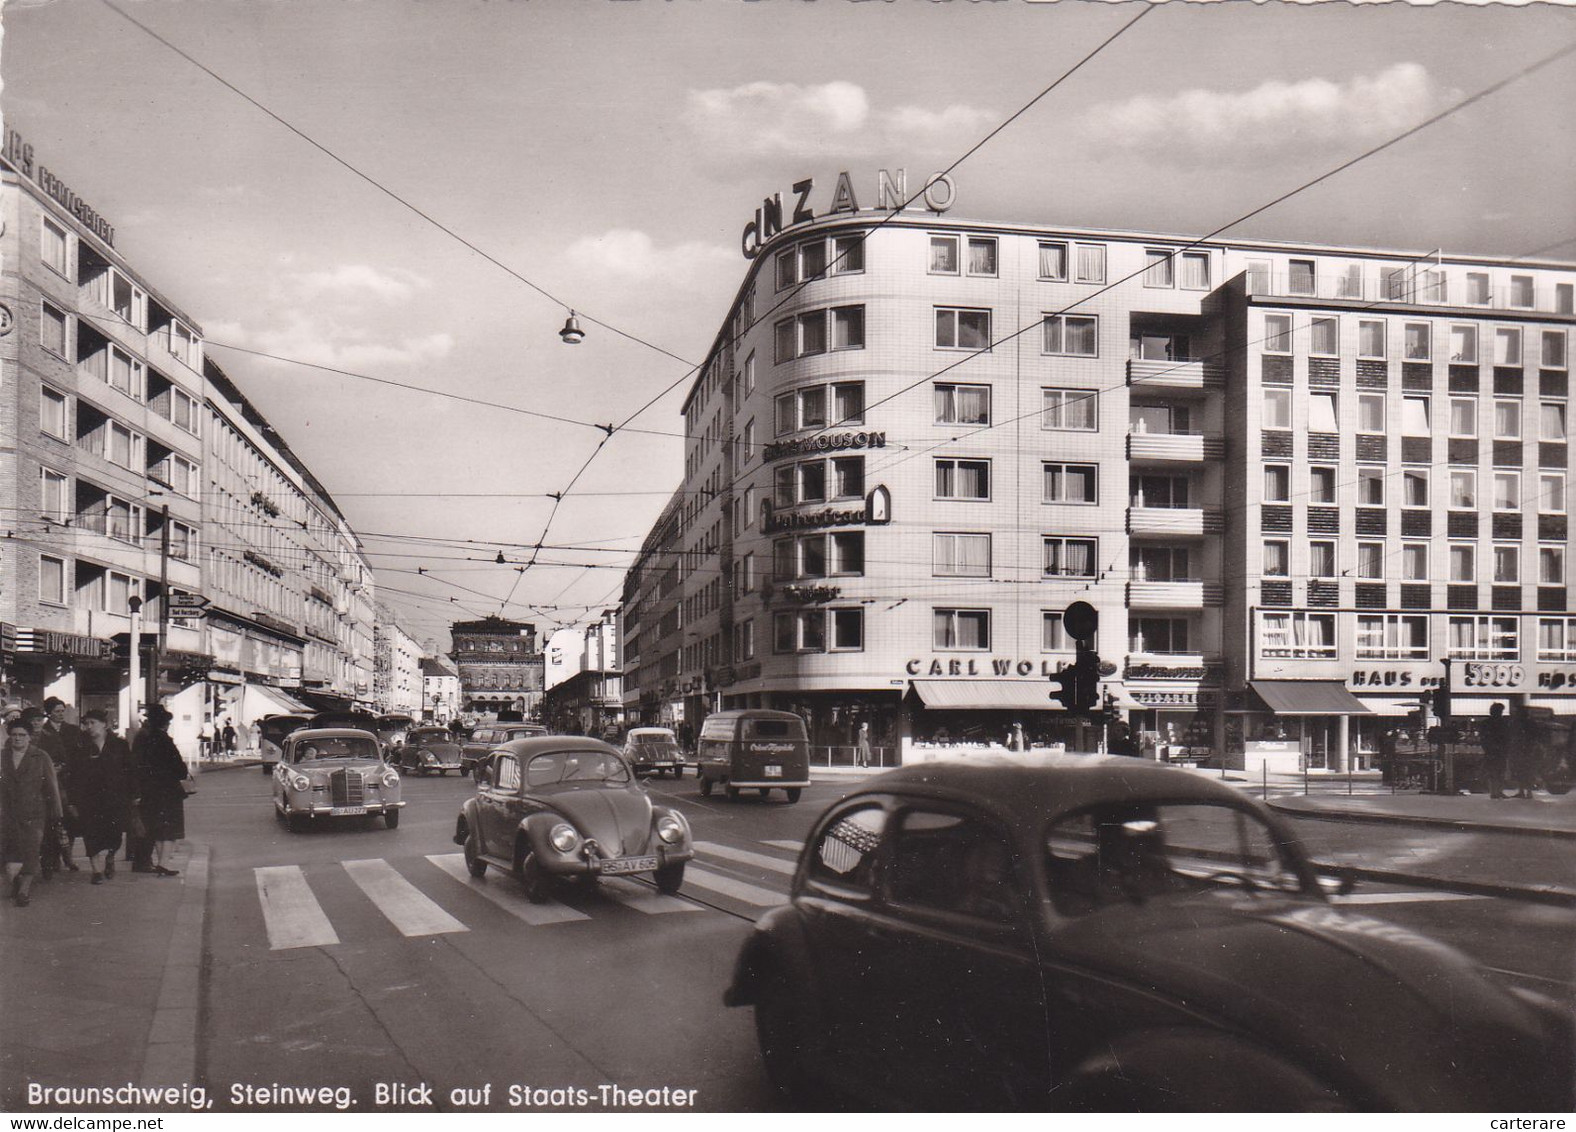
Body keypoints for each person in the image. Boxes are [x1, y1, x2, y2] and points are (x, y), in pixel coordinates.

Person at [65, 710, 135, 885]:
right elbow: (73, 776)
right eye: (86, 723)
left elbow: (130, 771)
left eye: (92, 723)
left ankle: (110, 856)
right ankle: (96, 871)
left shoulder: (120, 745)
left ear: (104, 724)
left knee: (115, 835)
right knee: (91, 834)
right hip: (89, 800)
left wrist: (135, 794)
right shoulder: (81, 746)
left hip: (115, 798)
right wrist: (72, 801)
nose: (89, 727)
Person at [1, 716, 63, 907]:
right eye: (14, 735)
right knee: (8, 851)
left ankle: (24, 891)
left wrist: (57, 813)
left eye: (22, 735)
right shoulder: (2, 756)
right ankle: (16, 881)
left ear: (30, 737)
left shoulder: (41, 756)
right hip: (7, 813)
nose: (17, 738)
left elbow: (52, 787)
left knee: (30, 851)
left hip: (33, 814)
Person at [133, 705, 189, 877]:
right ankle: (163, 864)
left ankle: (160, 862)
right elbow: (180, 769)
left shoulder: (143, 739)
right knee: (170, 830)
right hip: (168, 790)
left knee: (157, 828)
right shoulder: (165, 740)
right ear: (165, 723)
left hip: (149, 791)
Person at [1481, 703, 1510, 800]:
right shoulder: (1503, 722)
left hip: (1491, 750)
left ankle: (1494, 791)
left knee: (1493, 771)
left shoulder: (1486, 723)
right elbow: (1507, 737)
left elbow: (1483, 737)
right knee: (1500, 771)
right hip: (1500, 750)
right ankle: (1498, 791)